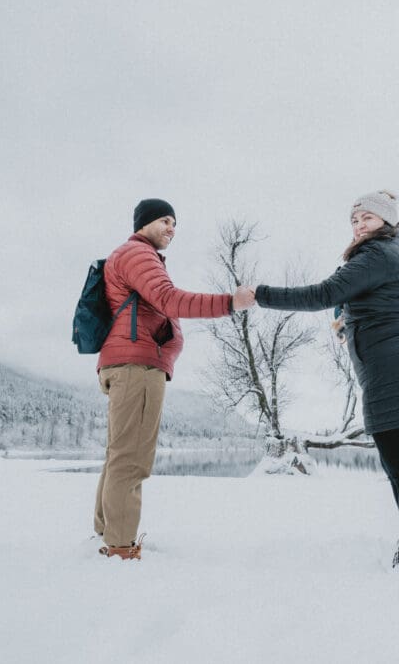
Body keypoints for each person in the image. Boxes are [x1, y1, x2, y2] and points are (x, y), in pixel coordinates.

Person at [252, 191, 399, 575]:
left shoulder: (377, 254)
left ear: (386, 220)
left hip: (395, 371)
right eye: (354, 220)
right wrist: (344, 316)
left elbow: (324, 292)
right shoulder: (392, 253)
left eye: (366, 217)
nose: (359, 225)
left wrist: (258, 295)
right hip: (393, 369)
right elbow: (352, 297)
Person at [95, 198, 255, 560]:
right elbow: (170, 300)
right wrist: (230, 302)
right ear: (145, 222)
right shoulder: (138, 254)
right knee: (132, 458)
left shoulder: (134, 256)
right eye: (165, 221)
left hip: (128, 364)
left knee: (120, 454)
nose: (171, 229)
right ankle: (120, 548)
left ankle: (107, 532)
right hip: (136, 367)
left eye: (175, 223)